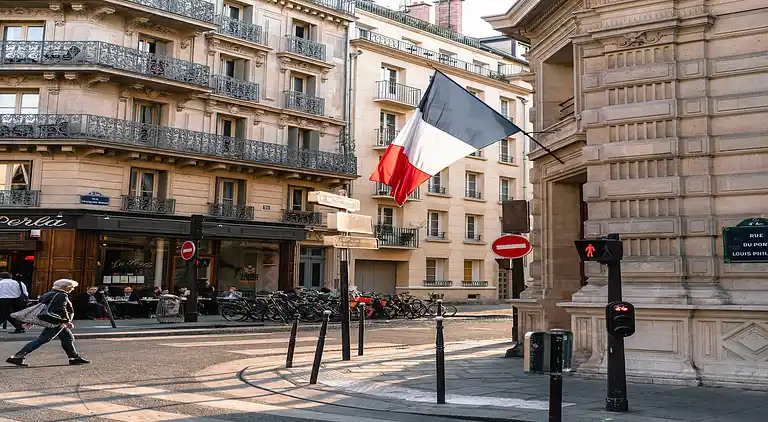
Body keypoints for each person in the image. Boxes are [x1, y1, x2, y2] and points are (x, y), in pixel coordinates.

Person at [6, 279, 89, 366]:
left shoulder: (47, 294)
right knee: (42, 339)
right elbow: (60, 309)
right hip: (57, 321)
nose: (73, 289)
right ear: (65, 287)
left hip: (53, 320)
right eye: (71, 287)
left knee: (68, 338)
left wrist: (32, 321)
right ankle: (17, 357)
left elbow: (40, 308)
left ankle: (74, 358)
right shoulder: (62, 295)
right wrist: (67, 321)